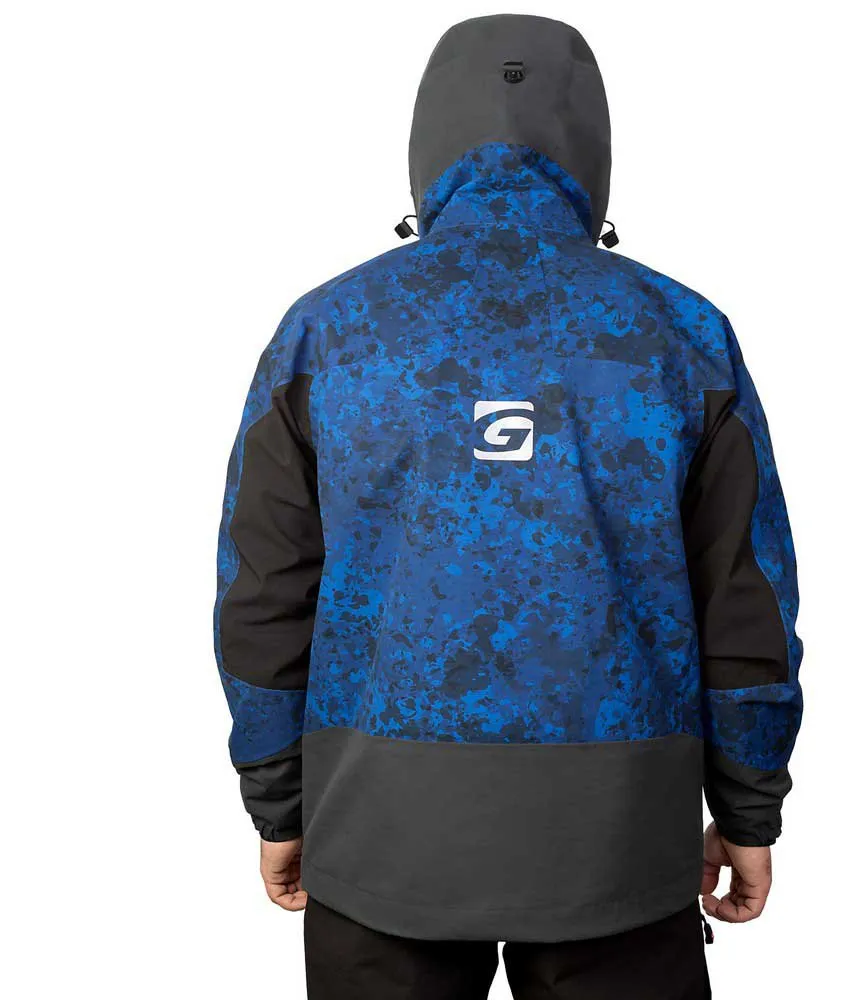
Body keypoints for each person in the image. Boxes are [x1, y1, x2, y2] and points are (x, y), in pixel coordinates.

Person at [214, 14, 802, 999]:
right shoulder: (680, 333)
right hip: (616, 840)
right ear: (594, 146)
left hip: (381, 829)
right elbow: (747, 602)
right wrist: (747, 810)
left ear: (425, 144)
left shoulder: (326, 332)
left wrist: (277, 803)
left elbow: (263, 592)